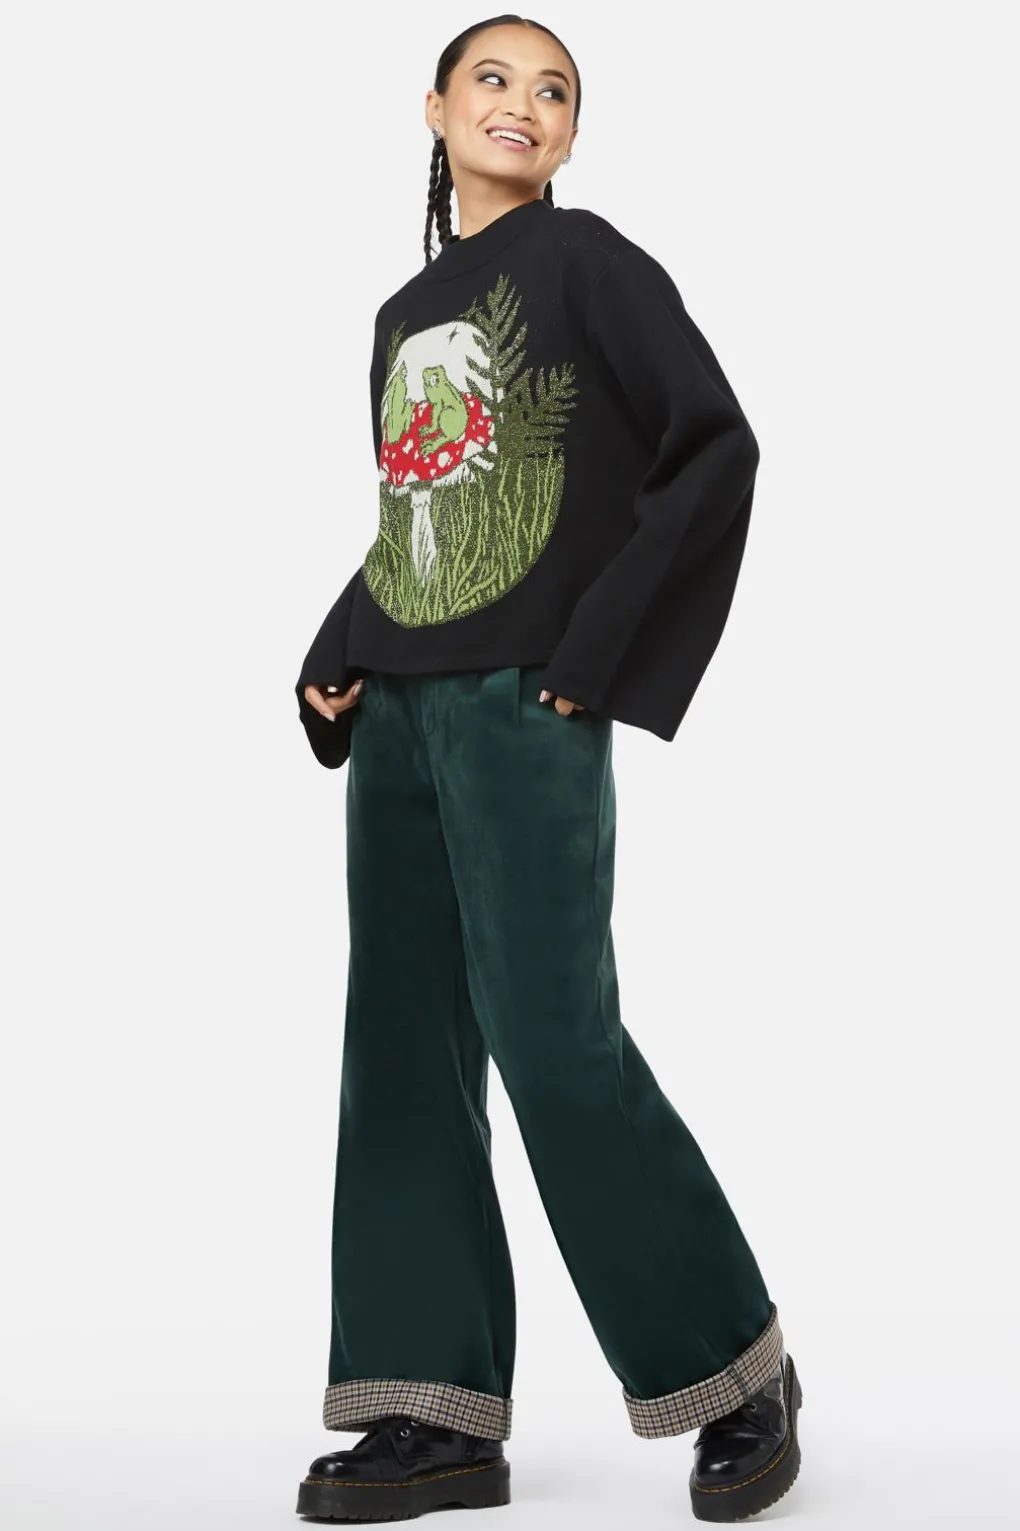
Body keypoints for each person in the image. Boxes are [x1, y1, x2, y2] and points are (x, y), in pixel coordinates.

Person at [292, 14, 803, 1524]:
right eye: (494, 78)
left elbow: (715, 449)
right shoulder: (401, 314)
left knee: (552, 1035)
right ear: (435, 108)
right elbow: (424, 513)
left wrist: (595, 655)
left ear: (572, 134)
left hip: (526, 707)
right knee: (400, 1043)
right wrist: (339, 642)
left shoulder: (590, 266)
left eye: (555, 89)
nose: (524, 103)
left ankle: (734, 1367)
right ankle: (427, 1410)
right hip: (402, 710)